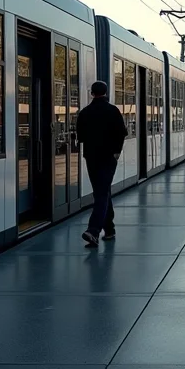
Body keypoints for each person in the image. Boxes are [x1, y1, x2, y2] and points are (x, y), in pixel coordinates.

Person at [76, 80, 127, 247]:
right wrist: (116, 151)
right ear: (106, 92)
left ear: (92, 93)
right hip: (108, 157)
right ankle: (103, 230)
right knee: (103, 192)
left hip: (91, 157)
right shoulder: (113, 111)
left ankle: (95, 230)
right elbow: (121, 133)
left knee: (100, 192)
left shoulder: (84, 113)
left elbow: (81, 137)